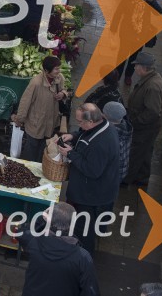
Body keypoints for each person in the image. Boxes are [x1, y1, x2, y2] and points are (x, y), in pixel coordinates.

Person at [57, 103, 121, 253]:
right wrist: (73, 135)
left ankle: (83, 257)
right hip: (90, 190)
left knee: (84, 229)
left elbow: (92, 170)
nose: (79, 124)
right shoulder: (101, 124)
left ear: (91, 121)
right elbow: (85, 133)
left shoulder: (102, 143)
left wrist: (71, 154)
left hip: (91, 194)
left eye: (80, 122)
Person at [17, 202, 99, 296]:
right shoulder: (82, 257)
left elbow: (21, 233)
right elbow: (91, 291)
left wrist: (41, 219)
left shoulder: (33, 242)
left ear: (49, 220)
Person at [13, 56, 68, 162]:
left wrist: (62, 94)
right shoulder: (36, 83)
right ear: (47, 71)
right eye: (56, 69)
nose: (59, 71)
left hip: (50, 122)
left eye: (59, 68)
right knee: (31, 148)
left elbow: (64, 89)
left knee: (43, 148)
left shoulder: (59, 78)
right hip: (36, 123)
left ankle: (39, 167)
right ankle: (28, 169)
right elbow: (25, 102)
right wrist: (19, 119)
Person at [124, 52, 162, 187]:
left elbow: (153, 112)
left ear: (143, 67)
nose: (135, 68)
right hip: (148, 126)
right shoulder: (151, 78)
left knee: (135, 152)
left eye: (136, 66)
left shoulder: (152, 86)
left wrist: (135, 121)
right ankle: (142, 178)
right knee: (145, 150)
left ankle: (126, 180)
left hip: (145, 128)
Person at [103, 101, 133, 184]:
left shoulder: (110, 135)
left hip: (111, 174)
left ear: (105, 116)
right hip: (122, 170)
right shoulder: (125, 126)